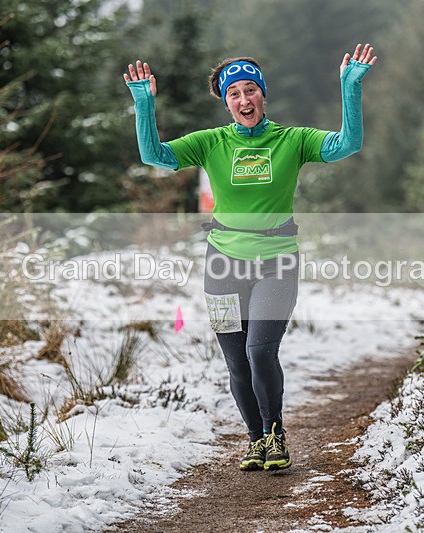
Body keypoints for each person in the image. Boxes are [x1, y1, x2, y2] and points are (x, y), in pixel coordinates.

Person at [124, 44, 377, 471]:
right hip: (222, 265)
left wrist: (349, 87)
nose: (244, 100)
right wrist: (144, 105)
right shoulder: (210, 144)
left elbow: (346, 144)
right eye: (234, 94)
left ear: (263, 94)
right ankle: (255, 440)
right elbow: (155, 156)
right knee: (236, 360)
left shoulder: (293, 140)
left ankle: (275, 432)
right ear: (226, 102)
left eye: (250, 90)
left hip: (277, 262)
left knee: (260, 351)